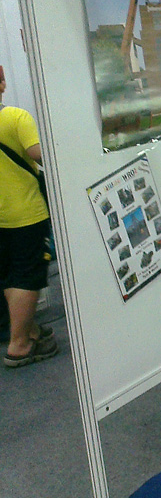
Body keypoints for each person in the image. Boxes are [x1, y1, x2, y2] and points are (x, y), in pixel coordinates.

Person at [0, 64, 57, 367]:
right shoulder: (15, 117)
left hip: (2, 218)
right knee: (28, 276)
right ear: (2, 82)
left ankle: (27, 330)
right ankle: (19, 345)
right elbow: (41, 154)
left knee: (11, 275)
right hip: (25, 214)